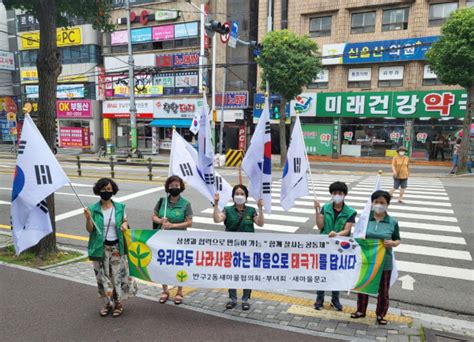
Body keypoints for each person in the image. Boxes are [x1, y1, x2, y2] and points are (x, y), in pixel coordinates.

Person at [83, 178, 136, 317]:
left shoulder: (119, 207)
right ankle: (107, 303)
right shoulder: (93, 209)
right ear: (98, 191)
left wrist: (125, 225)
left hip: (117, 247)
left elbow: (125, 221)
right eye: (103, 189)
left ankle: (118, 303)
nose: (106, 192)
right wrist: (88, 218)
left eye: (109, 189)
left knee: (117, 277)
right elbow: (90, 230)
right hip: (100, 248)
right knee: (102, 277)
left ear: (113, 190)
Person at [351, 190, 401, 325]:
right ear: (372, 203)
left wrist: (392, 243)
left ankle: (380, 314)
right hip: (367, 260)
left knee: (383, 290)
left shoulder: (392, 222)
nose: (379, 205)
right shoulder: (365, 219)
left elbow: (397, 240)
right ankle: (360, 310)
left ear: (387, 205)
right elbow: (355, 236)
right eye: (376, 202)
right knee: (363, 286)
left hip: (385, 261)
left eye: (382, 202)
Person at [213, 185, 264, 311]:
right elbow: (217, 219)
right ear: (233, 196)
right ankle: (233, 298)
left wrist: (260, 208)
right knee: (232, 272)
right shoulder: (227, 210)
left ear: (246, 197)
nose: (239, 196)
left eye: (242, 194)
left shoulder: (251, 211)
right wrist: (216, 205)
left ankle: (245, 299)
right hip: (231, 249)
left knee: (247, 273)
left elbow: (260, 223)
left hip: (248, 250)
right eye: (237, 193)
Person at [313, 181, 357, 311]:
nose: (337, 195)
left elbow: (347, 230)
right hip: (325, 246)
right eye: (334, 193)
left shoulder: (350, 212)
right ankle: (319, 298)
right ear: (331, 194)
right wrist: (317, 211)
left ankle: (335, 299)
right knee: (322, 272)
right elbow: (320, 226)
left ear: (345, 195)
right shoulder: (325, 208)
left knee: (337, 273)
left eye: (340, 193)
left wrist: (336, 234)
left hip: (340, 247)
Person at [152, 175, 193, 305]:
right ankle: (165, 291)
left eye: (176, 185)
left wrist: (173, 225)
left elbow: (189, 222)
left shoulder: (186, 204)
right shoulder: (162, 201)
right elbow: (153, 216)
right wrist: (160, 220)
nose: (174, 188)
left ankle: (180, 291)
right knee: (163, 264)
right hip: (163, 239)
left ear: (181, 187)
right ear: (167, 187)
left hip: (179, 240)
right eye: (171, 186)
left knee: (179, 265)